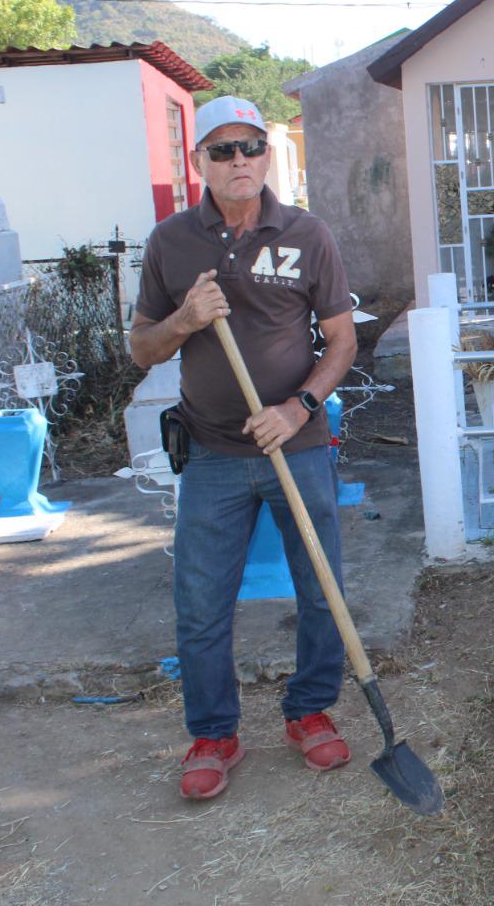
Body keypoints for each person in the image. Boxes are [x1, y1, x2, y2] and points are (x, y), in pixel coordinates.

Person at [130, 96, 358, 800]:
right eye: (222, 150)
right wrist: (185, 319)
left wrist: (298, 408)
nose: (239, 161)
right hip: (213, 454)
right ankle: (214, 732)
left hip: (300, 445)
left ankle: (309, 711)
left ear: (268, 154)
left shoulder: (306, 233)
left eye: (250, 147)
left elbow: (342, 340)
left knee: (322, 589)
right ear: (198, 161)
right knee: (200, 602)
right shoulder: (171, 243)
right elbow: (142, 349)